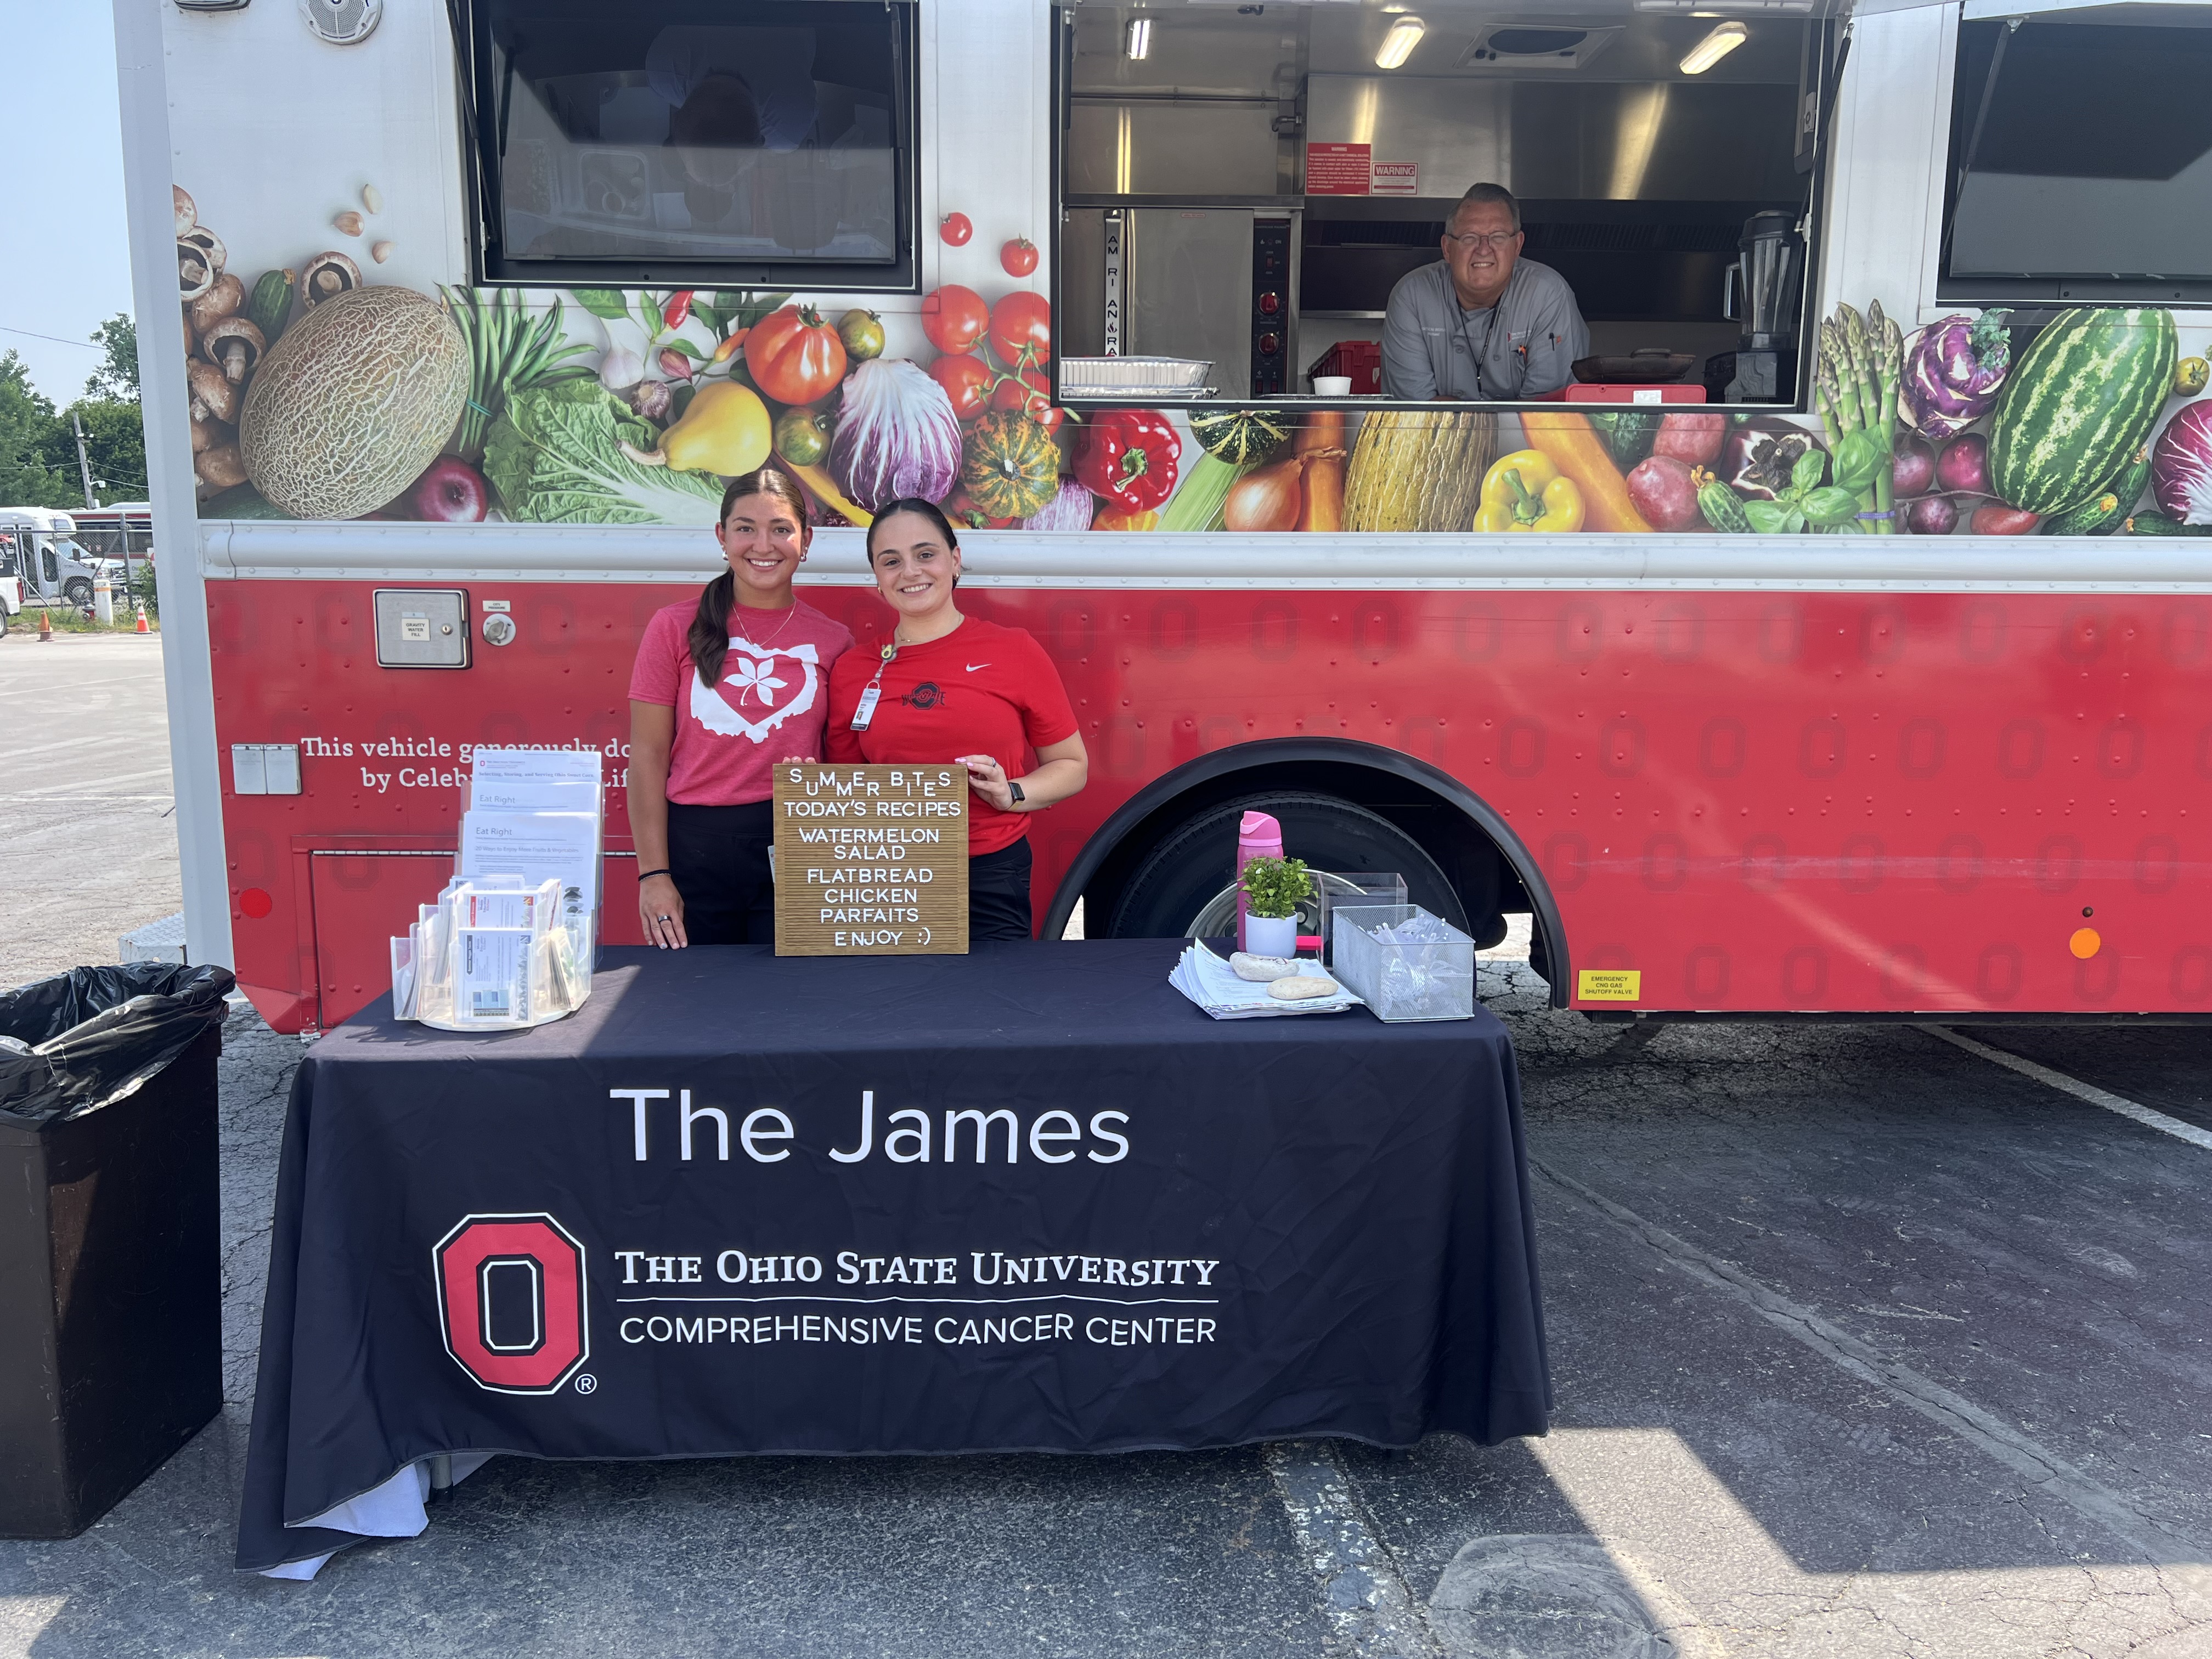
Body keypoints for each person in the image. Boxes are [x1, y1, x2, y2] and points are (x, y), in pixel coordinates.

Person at [824, 500, 1088, 942]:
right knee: (894, 1007)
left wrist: (1012, 793)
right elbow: (850, 784)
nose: (910, 571)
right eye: (891, 561)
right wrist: (815, 790)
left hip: (990, 872)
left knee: (991, 1005)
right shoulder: (853, 670)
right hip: (889, 877)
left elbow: (1073, 766)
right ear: (877, 578)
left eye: (925, 554)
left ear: (955, 560)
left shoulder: (1013, 651)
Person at [628, 469, 853, 948]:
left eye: (781, 529)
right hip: (695, 851)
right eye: (746, 528)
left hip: (797, 843)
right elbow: (647, 756)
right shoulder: (673, 626)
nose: (763, 545)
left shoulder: (834, 640)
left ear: (806, 540)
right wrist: (654, 874)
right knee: (698, 1004)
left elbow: (845, 758)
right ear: (722, 537)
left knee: (789, 1002)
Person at [1380, 182, 1588, 401]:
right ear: (1447, 248)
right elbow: (1416, 416)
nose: (1484, 249)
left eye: (1498, 236)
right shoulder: (1412, 296)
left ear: (1517, 245)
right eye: (1469, 237)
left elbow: (1544, 413)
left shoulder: (1548, 295)